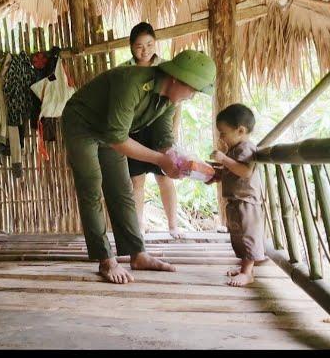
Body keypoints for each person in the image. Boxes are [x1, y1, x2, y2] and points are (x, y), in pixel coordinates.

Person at [61, 50, 216, 284]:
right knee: (91, 186)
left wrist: (182, 164)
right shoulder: (132, 83)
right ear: (176, 78)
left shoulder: (169, 101)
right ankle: (106, 260)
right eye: (192, 89)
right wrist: (161, 161)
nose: (192, 96)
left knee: (122, 189)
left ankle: (137, 254)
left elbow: (164, 140)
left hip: (110, 131)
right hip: (82, 124)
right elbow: (119, 139)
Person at [119, 22, 183, 238]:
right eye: (139, 46)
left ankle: (173, 226)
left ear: (155, 43)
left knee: (164, 177)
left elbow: (177, 102)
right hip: (133, 131)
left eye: (149, 44)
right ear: (130, 47)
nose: (144, 50)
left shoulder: (167, 68)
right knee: (136, 180)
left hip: (159, 130)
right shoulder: (124, 70)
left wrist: (173, 131)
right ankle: (139, 228)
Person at [209, 103, 265, 287]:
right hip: (235, 200)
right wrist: (216, 175)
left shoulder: (246, 148)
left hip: (247, 200)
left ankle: (247, 272)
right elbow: (231, 171)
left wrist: (224, 160)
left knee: (249, 236)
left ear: (240, 130)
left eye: (223, 133)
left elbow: (245, 171)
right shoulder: (234, 150)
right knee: (238, 237)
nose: (221, 137)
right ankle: (244, 268)